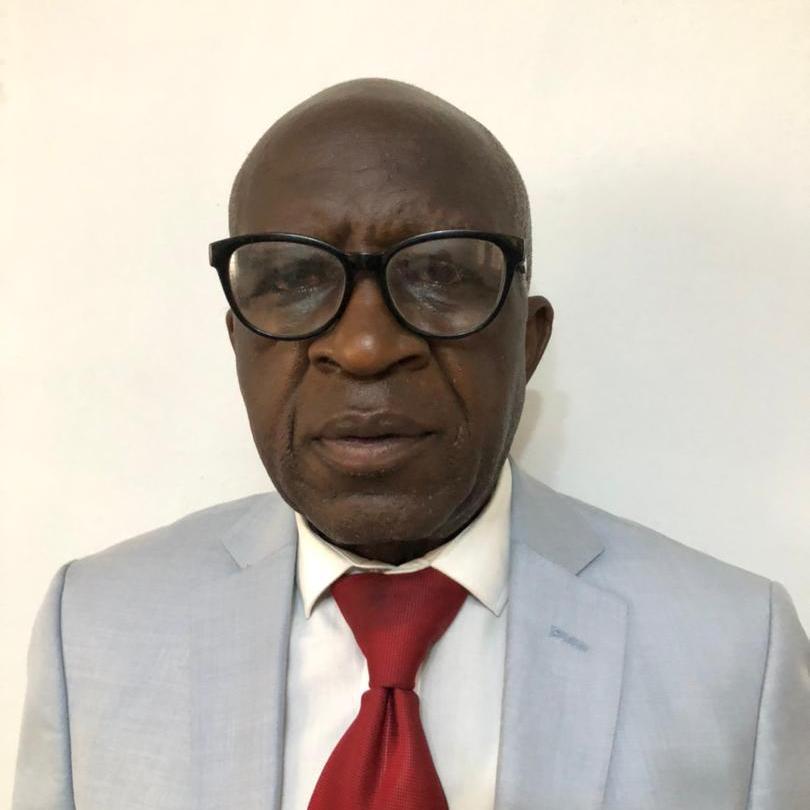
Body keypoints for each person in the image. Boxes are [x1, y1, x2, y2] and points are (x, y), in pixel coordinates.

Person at [12, 78, 809, 810]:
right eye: (292, 280)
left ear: (528, 341)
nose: (364, 346)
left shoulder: (737, 652)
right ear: (237, 342)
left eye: (440, 275)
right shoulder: (95, 628)